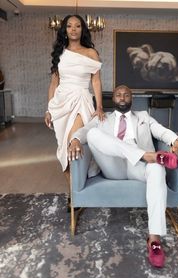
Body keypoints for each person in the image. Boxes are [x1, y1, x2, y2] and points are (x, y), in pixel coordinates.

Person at [68, 85, 178, 268]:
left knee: (157, 169)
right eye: (118, 94)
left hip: (137, 167)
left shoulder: (143, 117)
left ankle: (154, 239)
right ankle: (149, 156)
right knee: (92, 133)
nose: (122, 97)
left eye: (126, 95)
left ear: (132, 98)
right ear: (113, 99)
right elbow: (83, 133)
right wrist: (75, 140)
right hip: (112, 166)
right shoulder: (102, 117)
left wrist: (176, 142)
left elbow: (161, 131)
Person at [44, 15, 104, 181]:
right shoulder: (60, 53)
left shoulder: (91, 53)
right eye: (69, 26)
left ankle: (79, 190)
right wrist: (48, 110)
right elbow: (53, 84)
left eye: (77, 26)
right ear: (64, 30)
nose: (73, 29)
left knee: (73, 143)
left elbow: (96, 81)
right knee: (64, 150)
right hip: (61, 103)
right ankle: (74, 195)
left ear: (83, 29)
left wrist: (99, 106)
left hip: (81, 100)